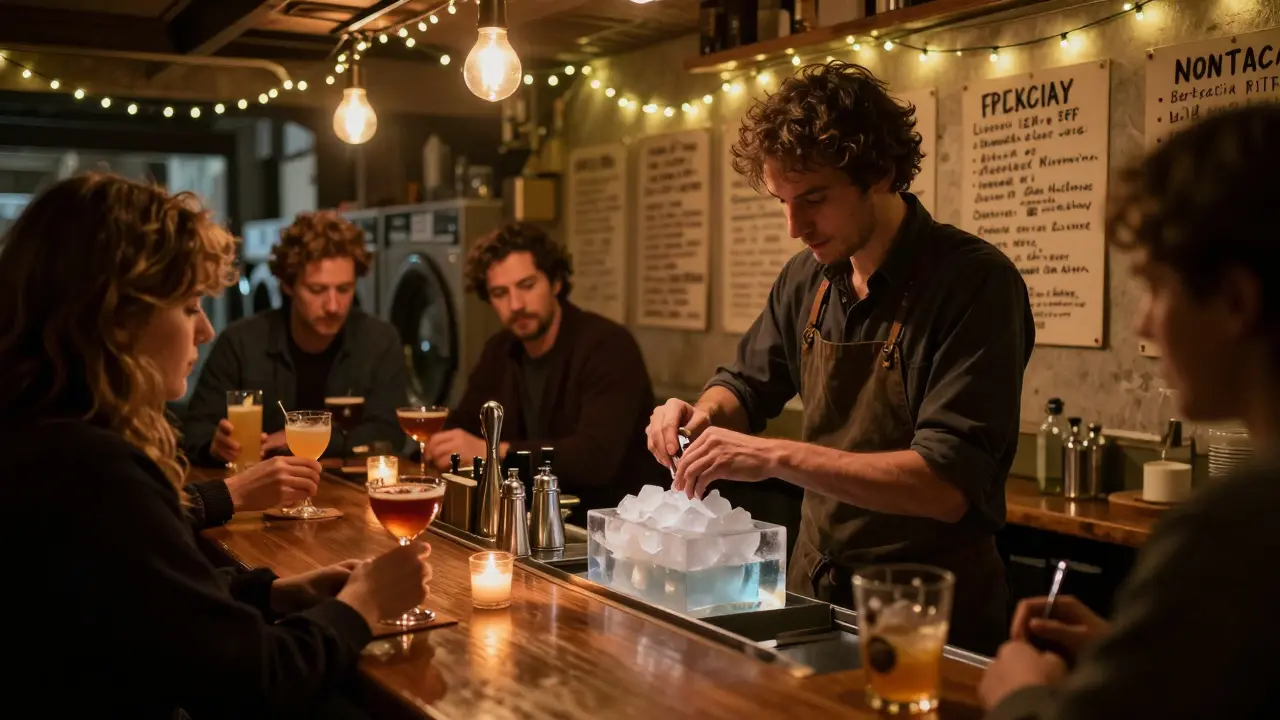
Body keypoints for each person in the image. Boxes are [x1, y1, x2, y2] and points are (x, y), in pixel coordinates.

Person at [0, 173, 431, 717]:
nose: (203, 330)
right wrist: (362, 605)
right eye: (188, 306)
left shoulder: (41, 433)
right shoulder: (94, 470)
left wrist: (275, 591)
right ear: (117, 316)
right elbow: (260, 678)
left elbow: (152, 609)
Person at [645, 61, 1034, 655]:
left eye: (814, 199)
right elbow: (745, 387)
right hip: (813, 595)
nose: (795, 226)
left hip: (925, 614)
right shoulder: (808, 279)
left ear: (878, 173)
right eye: (782, 201)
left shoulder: (974, 284)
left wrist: (772, 454)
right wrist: (698, 417)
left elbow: (945, 484)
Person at [979, 104, 1280, 718]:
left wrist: (1019, 692)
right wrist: (1127, 650)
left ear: (1233, 300)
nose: (1143, 320)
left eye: (1156, 286)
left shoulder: (1235, 526)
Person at [426, 222, 665, 522]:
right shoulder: (500, 350)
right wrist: (437, 444)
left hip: (612, 530)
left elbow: (595, 458)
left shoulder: (607, 345)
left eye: (527, 286)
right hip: (529, 525)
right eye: (500, 293)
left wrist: (496, 451)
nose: (516, 304)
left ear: (555, 282)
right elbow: (465, 425)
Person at [182, 210, 407, 470]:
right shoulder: (241, 342)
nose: (333, 306)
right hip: (261, 493)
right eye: (317, 290)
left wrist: (298, 438)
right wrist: (215, 445)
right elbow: (194, 430)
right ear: (288, 285)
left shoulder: (378, 340)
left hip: (348, 491)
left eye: (344, 289)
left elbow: (389, 434)